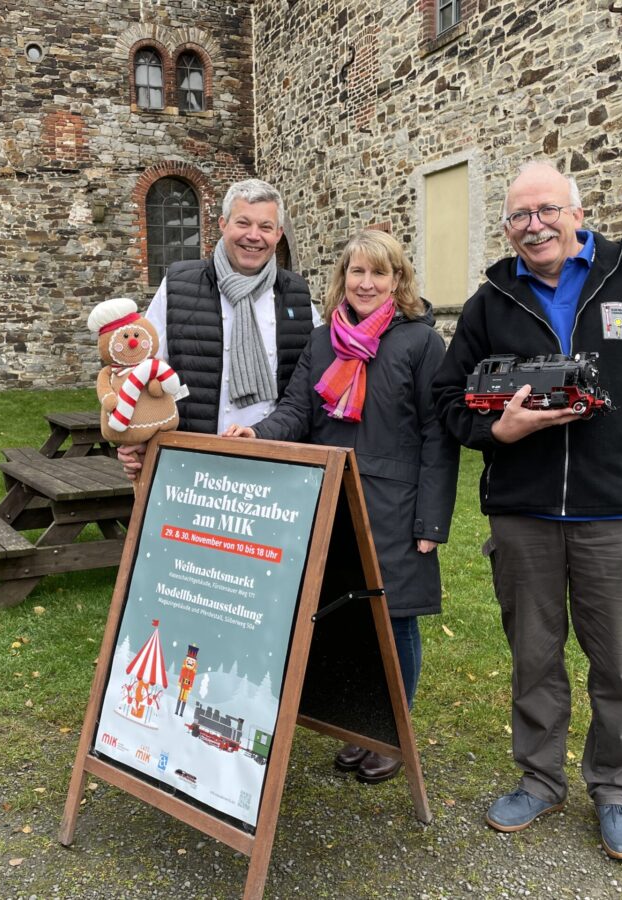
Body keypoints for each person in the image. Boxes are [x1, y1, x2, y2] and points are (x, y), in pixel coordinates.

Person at [432, 161, 622, 860]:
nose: (534, 226)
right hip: (523, 510)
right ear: (507, 228)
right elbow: (448, 400)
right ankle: (539, 779)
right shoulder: (491, 301)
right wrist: (493, 432)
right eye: (519, 217)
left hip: (613, 507)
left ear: (577, 211)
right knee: (534, 659)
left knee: (618, 664)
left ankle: (616, 788)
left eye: (546, 210)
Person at [224, 229, 459, 784]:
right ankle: (359, 726)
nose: (367, 283)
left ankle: (392, 736)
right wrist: (258, 435)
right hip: (330, 499)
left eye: (380, 273)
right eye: (358, 272)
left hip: (395, 506)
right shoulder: (323, 339)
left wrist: (430, 520)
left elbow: (437, 436)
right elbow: (295, 411)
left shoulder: (421, 344)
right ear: (343, 279)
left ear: (397, 280)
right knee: (343, 618)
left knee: (394, 620)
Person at [116, 178, 322, 478]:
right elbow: (145, 369)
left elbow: (310, 386)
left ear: (278, 234)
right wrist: (136, 438)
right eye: (243, 223)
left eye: (265, 227)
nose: (254, 236)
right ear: (223, 224)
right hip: (190, 461)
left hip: (272, 464)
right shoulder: (178, 285)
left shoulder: (297, 295)